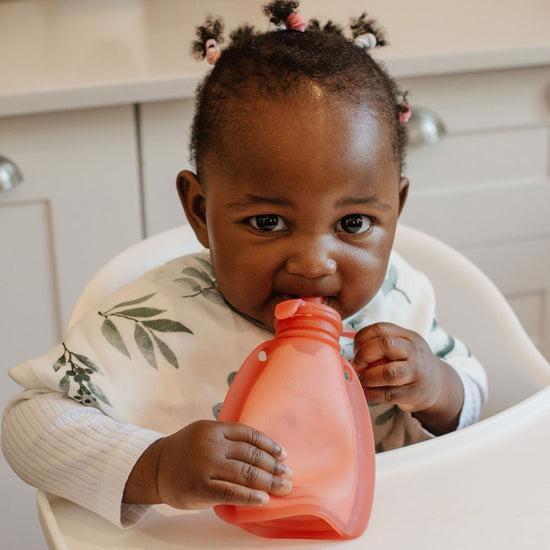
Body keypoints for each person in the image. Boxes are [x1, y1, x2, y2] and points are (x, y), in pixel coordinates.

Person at [1, 1, 486, 529]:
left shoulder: (397, 299)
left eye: (352, 225)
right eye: (268, 223)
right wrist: (155, 466)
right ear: (200, 210)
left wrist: (437, 388)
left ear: (397, 208)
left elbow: (480, 391)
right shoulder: (153, 324)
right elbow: (28, 426)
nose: (313, 263)